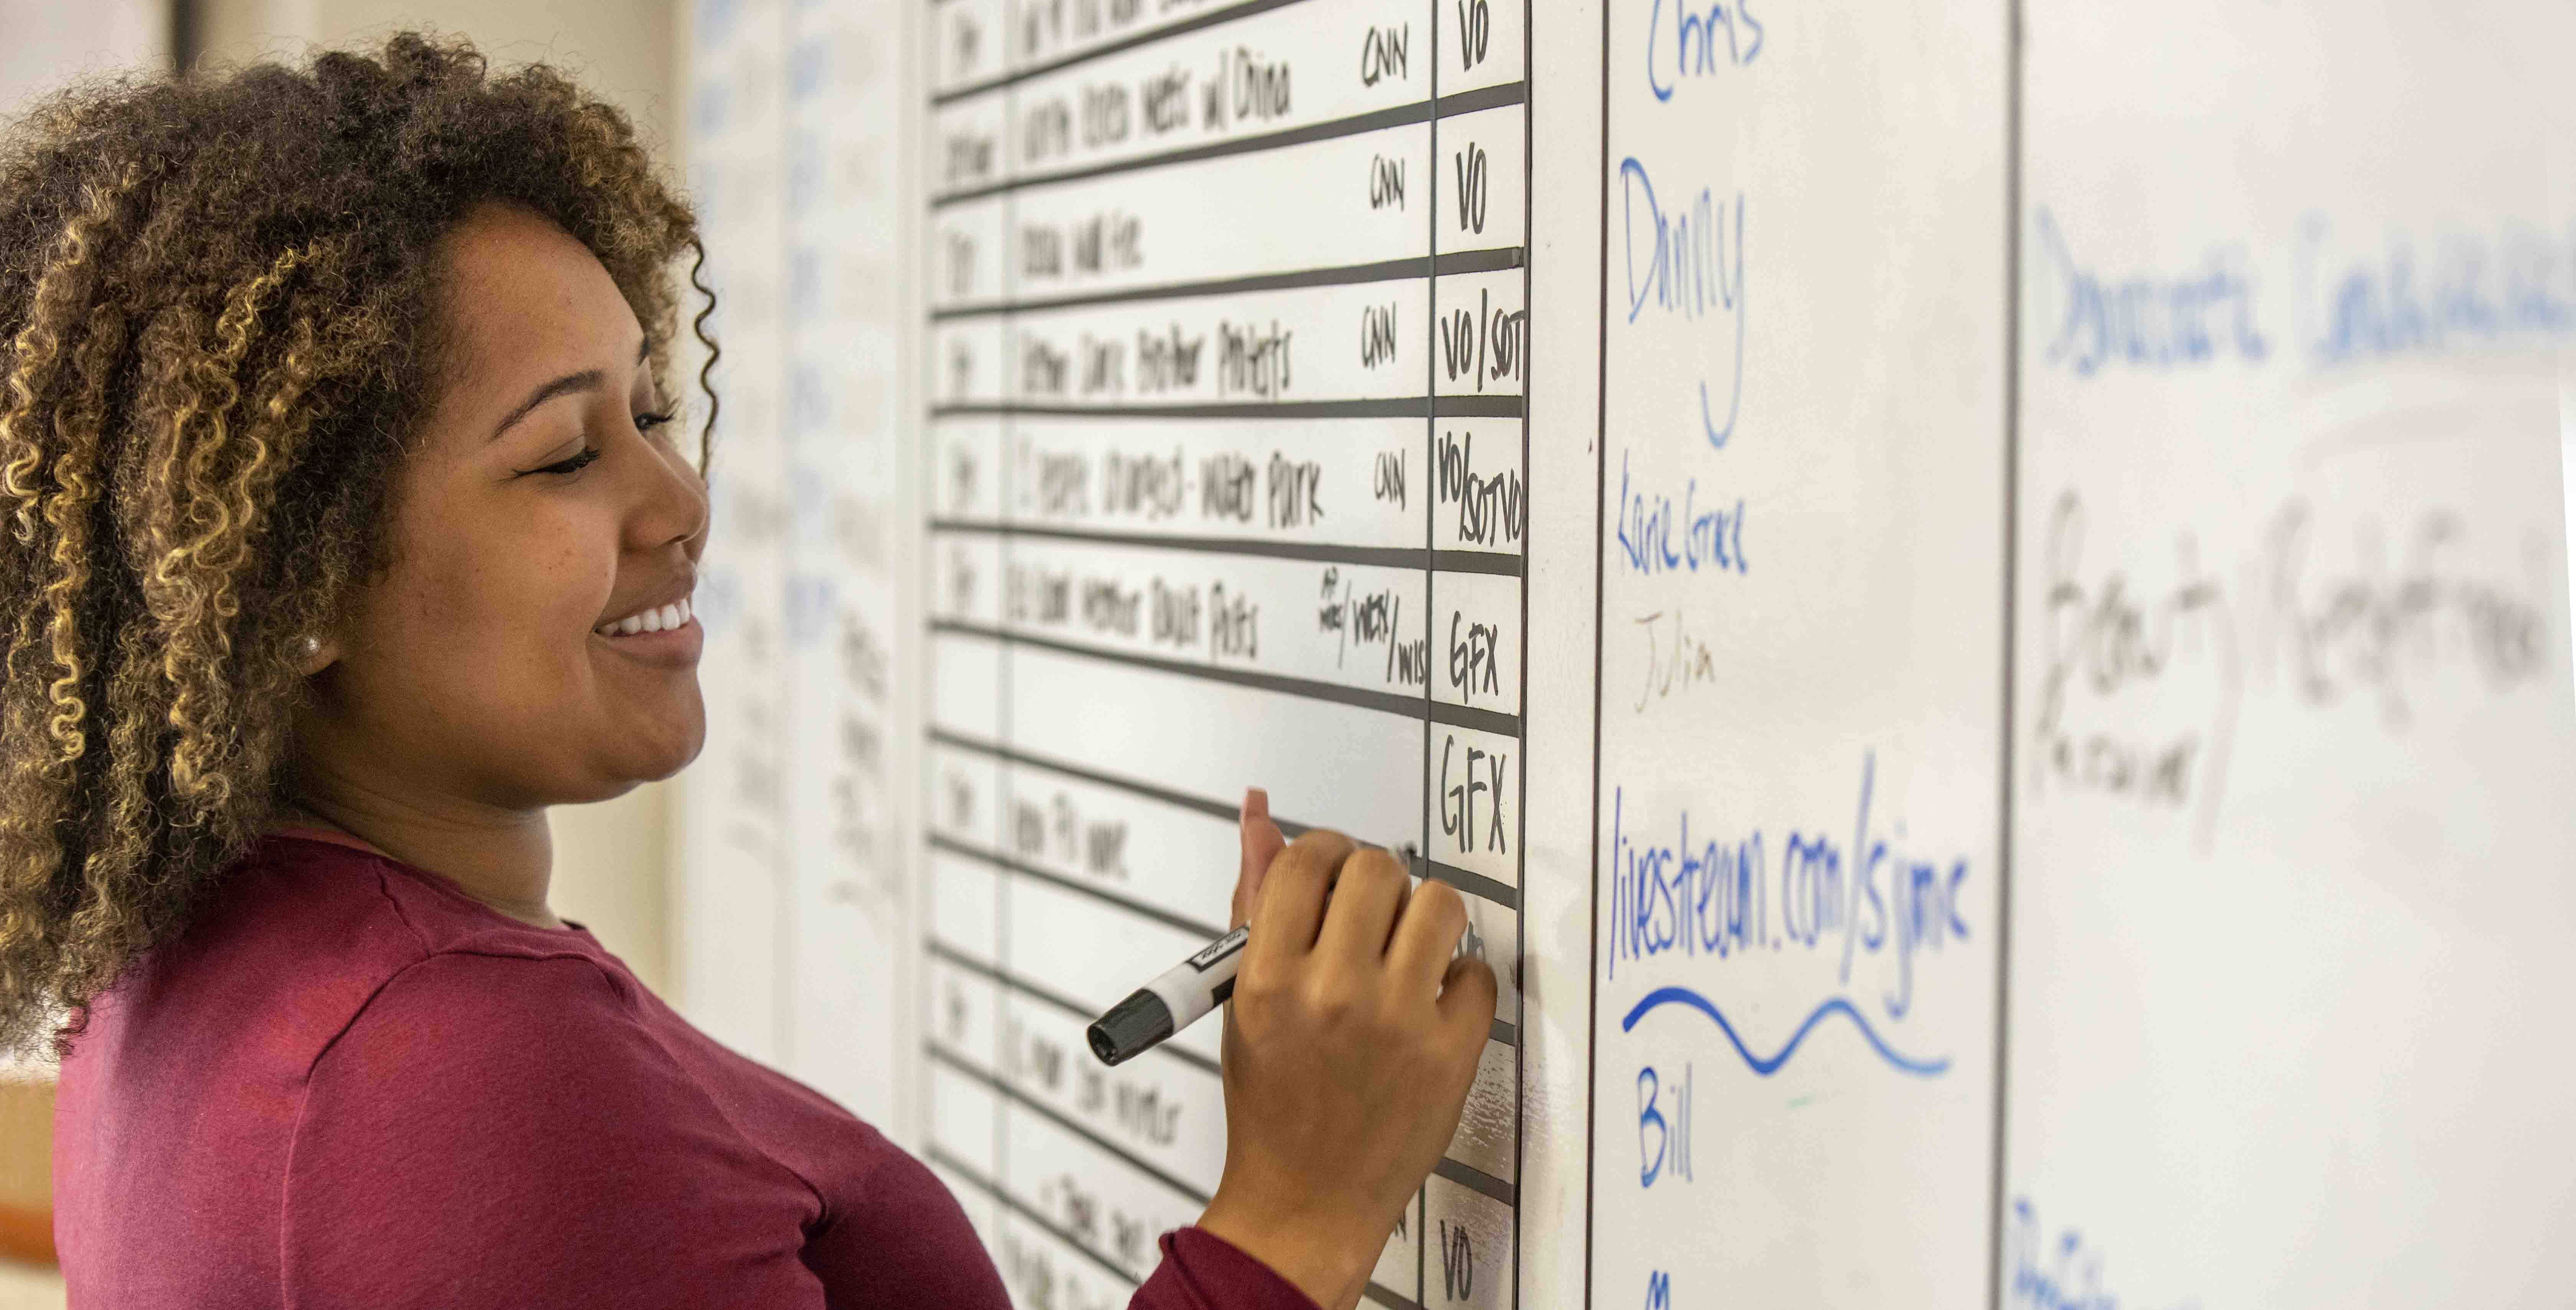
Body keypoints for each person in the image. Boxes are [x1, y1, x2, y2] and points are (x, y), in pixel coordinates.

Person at [0, 34, 1497, 1310]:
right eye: (568, 454)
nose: (680, 499)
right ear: (290, 580)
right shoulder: (454, 1081)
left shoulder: (215, 967)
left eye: (653, 408)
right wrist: (1296, 1213)